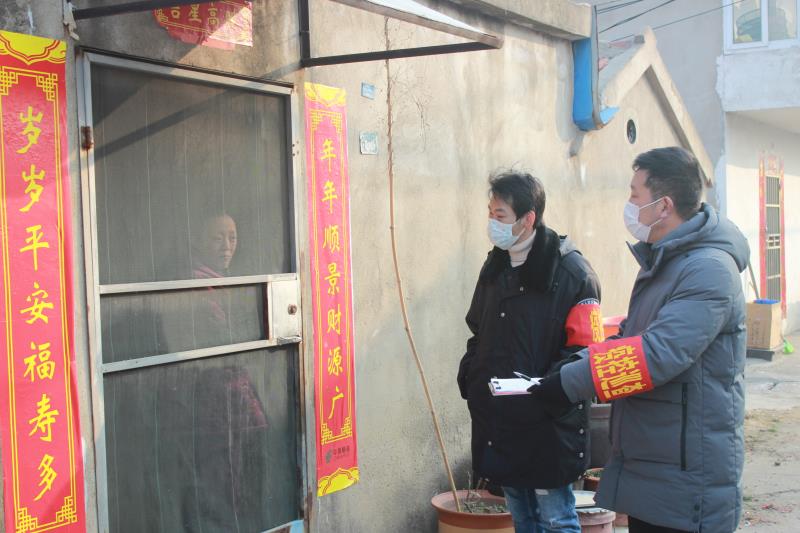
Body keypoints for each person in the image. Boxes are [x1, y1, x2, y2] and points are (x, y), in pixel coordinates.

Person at [531, 147, 749, 533]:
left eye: (635, 194)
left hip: (686, 471)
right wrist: (574, 364)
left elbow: (656, 354)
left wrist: (568, 384)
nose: (629, 205)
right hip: (656, 461)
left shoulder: (708, 269)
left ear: (663, 206)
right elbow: (632, 336)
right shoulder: (667, 262)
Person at [458, 171, 603, 533]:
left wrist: (548, 390)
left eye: (500, 215)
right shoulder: (496, 265)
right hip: (500, 416)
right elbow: (478, 328)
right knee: (521, 515)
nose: (492, 223)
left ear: (528, 219)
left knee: (555, 519)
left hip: (547, 421)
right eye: (490, 213)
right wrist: (472, 372)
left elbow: (585, 351)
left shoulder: (572, 272)